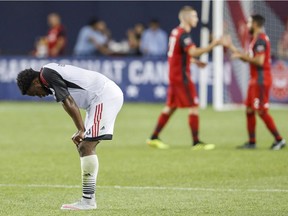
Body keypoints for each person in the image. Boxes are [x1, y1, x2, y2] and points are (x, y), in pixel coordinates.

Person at [16, 63, 124, 210]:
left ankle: (88, 202)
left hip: (103, 96)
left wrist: (81, 129)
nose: (39, 96)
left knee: (86, 147)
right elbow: (66, 102)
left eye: (34, 93)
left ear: (35, 82)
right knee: (83, 147)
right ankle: (88, 200)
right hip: (97, 100)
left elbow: (68, 101)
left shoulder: (47, 74)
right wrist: (80, 129)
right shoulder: (49, 77)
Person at [146, 6, 222, 150]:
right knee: (194, 106)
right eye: (194, 16)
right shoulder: (184, 35)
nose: (196, 19)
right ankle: (196, 142)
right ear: (187, 18)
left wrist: (193, 61)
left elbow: (178, 55)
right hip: (182, 77)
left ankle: (153, 137)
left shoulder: (175, 32)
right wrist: (213, 44)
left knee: (170, 107)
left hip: (174, 76)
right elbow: (192, 51)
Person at [225, 14, 286, 150]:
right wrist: (232, 48)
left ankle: (279, 139)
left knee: (261, 111)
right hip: (255, 79)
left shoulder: (260, 40)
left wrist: (240, 55)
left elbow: (259, 61)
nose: (247, 26)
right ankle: (252, 142)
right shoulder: (255, 40)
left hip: (261, 79)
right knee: (249, 109)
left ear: (256, 24)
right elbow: (247, 58)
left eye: (249, 23)